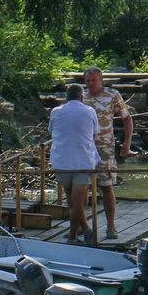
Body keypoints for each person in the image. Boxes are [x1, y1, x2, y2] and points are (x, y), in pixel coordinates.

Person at [82, 66, 133, 240]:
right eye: (87, 81)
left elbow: (126, 118)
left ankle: (111, 226)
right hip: (84, 147)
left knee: (106, 186)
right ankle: (83, 226)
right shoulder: (82, 97)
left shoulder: (112, 95)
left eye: (93, 80)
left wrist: (127, 143)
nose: (90, 84)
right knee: (81, 187)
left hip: (105, 147)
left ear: (101, 79)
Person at [49, 84, 100, 245]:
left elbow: (51, 130)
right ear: (82, 97)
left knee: (73, 199)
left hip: (62, 161)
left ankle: (85, 228)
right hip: (83, 161)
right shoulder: (89, 111)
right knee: (78, 201)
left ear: (66, 97)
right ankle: (72, 236)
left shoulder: (55, 112)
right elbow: (94, 132)